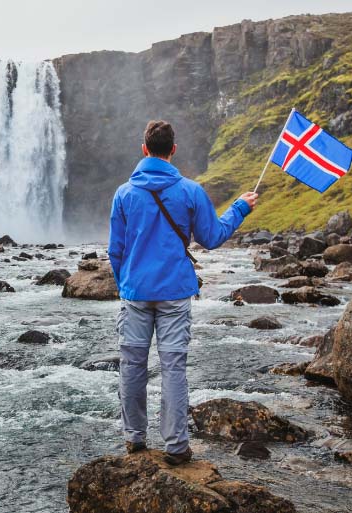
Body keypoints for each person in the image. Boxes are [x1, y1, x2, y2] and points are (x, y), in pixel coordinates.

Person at [107, 120, 258, 465]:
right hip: (175, 292)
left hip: (135, 294)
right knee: (173, 366)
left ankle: (134, 439)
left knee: (132, 365)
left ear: (144, 148)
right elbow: (213, 237)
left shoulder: (124, 194)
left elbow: (115, 250)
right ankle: (176, 446)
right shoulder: (190, 191)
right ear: (173, 150)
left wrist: (126, 283)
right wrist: (240, 208)